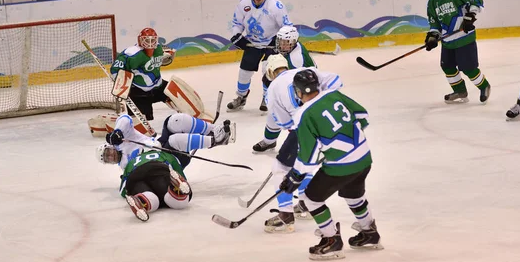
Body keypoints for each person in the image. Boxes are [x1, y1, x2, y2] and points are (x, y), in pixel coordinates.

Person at [279, 69, 382, 260]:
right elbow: (362, 116)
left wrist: (295, 175)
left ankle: (331, 241)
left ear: (298, 91)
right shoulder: (334, 95)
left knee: (311, 199)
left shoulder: (303, 114)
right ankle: (370, 233)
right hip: (364, 158)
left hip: (340, 167)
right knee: (354, 195)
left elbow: (308, 155)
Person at [96, 113, 234, 221]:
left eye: (108, 152)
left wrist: (117, 131)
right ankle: (215, 140)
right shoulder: (125, 164)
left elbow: (125, 118)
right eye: (107, 159)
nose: (111, 156)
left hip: (161, 146)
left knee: (174, 121)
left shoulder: (122, 138)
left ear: (110, 146)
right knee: (175, 140)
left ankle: (215, 130)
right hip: (166, 160)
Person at [261, 55, 343, 233]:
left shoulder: (272, 89)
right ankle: (305, 203)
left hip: (305, 128)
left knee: (280, 167)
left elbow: (284, 124)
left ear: (270, 72)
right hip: (332, 126)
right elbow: (337, 81)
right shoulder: (305, 72)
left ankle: (286, 213)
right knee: (305, 165)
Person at [425, 0, 491, 104]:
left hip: (464, 38)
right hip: (448, 41)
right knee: (447, 66)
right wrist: (432, 37)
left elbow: (476, 0)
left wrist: (470, 16)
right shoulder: (432, 2)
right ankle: (460, 91)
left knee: (468, 68)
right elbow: (434, 24)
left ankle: (484, 86)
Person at [227, 0, 293, 113]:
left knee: (267, 69)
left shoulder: (276, 6)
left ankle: (266, 97)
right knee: (244, 73)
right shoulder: (243, 4)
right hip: (252, 43)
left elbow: (287, 26)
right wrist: (237, 36)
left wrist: (280, 40)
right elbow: (237, 23)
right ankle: (241, 97)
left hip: (271, 42)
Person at [254, 26, 316, 153]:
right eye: (280, 41)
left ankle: (306, 143)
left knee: (294, 117)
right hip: (298, 87)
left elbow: (293, 82)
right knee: (274, 114)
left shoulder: (296, 59)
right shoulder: (291, 50)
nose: (282, 45)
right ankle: (269, 141)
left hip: (304, 91)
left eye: (285, 43)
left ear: (293, 42)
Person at [110, 27, 175, 121]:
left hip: (158, 86)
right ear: (140, 40)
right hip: (139, 93)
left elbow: (156, 61)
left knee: (178, 95)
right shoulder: (131, 54)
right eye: (146, 40)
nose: (150, 43)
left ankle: (190, 119)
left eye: (152, 40)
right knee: (143, 121)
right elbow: (115, 70)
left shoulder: (159, 49)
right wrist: (121, 84)